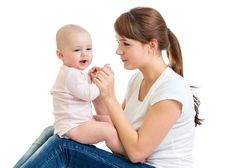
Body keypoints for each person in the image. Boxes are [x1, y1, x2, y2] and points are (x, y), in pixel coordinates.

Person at [14, 7, 202, 168]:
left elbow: (136, 153)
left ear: (151, 46)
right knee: (54, 131)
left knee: (62, 147)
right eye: (118, 42)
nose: (118, 50)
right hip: (135, 163)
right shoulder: (137, 80)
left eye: (126, 43)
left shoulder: (171, 90)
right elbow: (118, 131)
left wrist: (109, 96)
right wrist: (98, 94)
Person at [50, 24, 123, 154]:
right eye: (77, 50)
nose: (84, 54)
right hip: (73, 127)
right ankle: (126, 155)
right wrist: (102, 81)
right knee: (109, 130)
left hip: (80, 121)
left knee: (107, 121)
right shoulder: (70, 75)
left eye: (89, 49)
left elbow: (81, 90)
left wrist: (91, 78)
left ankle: (121, 149)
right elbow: (88, 94)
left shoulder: (73, 73)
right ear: (60, 55)